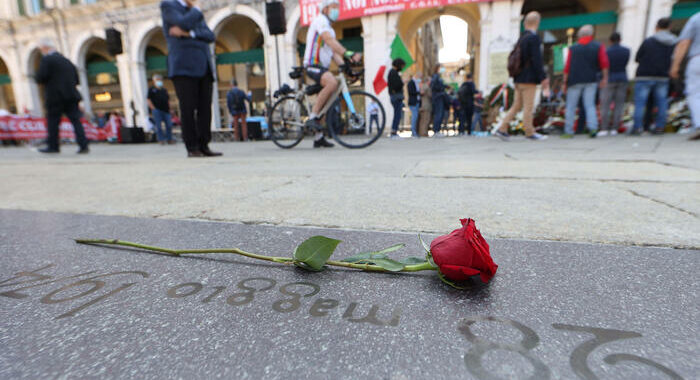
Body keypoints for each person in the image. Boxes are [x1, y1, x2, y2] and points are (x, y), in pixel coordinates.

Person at [161, 0, 221, 157]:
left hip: (204, 66)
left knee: (205, 108)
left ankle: (204, 144)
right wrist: (196, 10)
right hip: (183, 67)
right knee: (188, 108)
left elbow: (210, 35)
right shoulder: (169, 5)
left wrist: (190, 34)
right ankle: (192, 147)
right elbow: (181, 22)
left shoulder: (193, 12)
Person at [303, 0, 362, 148]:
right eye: (334, 7)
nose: (337, 10)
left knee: (327, 100)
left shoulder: (330, 28)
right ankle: (312, 117)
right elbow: (328, 41)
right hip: (312, 64)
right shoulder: (320, 21)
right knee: (332, 83)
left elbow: (334, 53)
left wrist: (347, 69)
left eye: (338, 7)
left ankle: (318, 138)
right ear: (325, 9)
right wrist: (348, 53)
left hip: (322, 67)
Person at [495, 11, 549, 141]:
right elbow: (537, 60)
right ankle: (529, 132)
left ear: (525, 23)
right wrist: (543, 77)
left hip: (518, 78)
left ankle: (502, 128)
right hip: (529, 79)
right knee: (528, 106)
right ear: (537, 23)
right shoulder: (534, 38)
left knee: (516, 106)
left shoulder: (521, 38)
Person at [34, 38, 88, 154]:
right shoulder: (67, 61)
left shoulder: (47, 60)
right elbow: (77, 79)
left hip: (55, 97)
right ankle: (83, 145)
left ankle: (53, 146)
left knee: (53, 122)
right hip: (71, 96)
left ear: (44, 48)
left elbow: (40, 77)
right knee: (76, 121)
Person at [562, 24, 609, 138]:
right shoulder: (598, 46)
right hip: (591, 79)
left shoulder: (573, 48)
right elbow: (604, 63)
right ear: (591, 34)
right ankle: (593, 129)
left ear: (579, 35)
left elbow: (567, 67)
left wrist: (564, 82)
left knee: (571, 106)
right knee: (590, 105)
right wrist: (605, 78)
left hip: (574, 80)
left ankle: (568, 131)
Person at [631, 17, 677, 135]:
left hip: (644, 75)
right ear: (670, 27)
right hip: (663, 76)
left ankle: (637, 127)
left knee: (640, 103)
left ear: (657, 27)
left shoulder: (648, 41)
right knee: (662, 102)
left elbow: (637, 58)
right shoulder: (674, 43)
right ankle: (660, 127)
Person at [671, 12, 700, 141]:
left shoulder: (696, 18)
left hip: (697, 58)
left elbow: (684, 43)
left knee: (694, 93)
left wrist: (675, 65)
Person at [599, 32, 629, 136]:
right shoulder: (626, 51)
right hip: (622, 78)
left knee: (605, 105)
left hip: (609, 79)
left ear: (610, 41)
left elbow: (603, 66)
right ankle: (615, 128)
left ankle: (604, 128)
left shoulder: (606, 52)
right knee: (619, 105)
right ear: (620, 40)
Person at [147, 74, 175, 145]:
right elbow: (148, 99)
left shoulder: (164, 90)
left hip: (166, 110)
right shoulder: (151, 90)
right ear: (154, 81)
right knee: (158, 126)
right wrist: (153, 108)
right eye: (157, 80)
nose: (159, 81)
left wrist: (170, 109)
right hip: (157, 110)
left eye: (160, 80)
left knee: (169, 125)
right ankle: (161, 140)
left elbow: (168, 100)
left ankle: (169, 139)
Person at [388, 58, 406, 138]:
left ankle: (394, 131)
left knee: (397, 114)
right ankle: (394, 132)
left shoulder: (394, 72)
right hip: (396, 97)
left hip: (396, 97)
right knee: (397, 115)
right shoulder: (393, 73)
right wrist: (403, 82)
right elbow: (396, 85)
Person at [430, 64, 447, 136]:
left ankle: (437, 130)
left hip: (440, 96)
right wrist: (441, 88)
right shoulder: (435, 76)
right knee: (438, 114)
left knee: (440, 114)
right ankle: (436, 130)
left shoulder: (438, 76)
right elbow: (433, 86)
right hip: (437, 97)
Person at [407, 72, 422, 137]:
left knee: (416, 118)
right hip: (413, 102)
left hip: (417, 102)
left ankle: (415, 131)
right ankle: (413, 132)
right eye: (419, 76)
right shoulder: (411, 82)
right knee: (414, 117)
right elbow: (411, 92)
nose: (420, 78)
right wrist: (419, 92)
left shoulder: (417, 83)